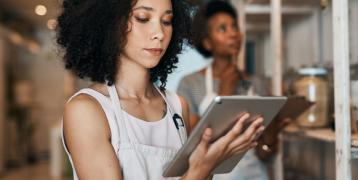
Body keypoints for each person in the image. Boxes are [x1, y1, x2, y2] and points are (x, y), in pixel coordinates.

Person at [56, 0, 265, 179]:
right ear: (109, 22)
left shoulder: (176, 105)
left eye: (167, 21)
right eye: (143, 18)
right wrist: (199, 171)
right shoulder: (87, 110)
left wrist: (212, 160)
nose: (159, 33)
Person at [177, 1, 273, 179]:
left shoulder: (255, 83)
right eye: (223, 29)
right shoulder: (190, 84)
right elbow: (193, 145)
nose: (233, 34)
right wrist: (224, 93)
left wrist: (272, 135)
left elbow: (264, 153)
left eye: (234, 26)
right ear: (207, 42)